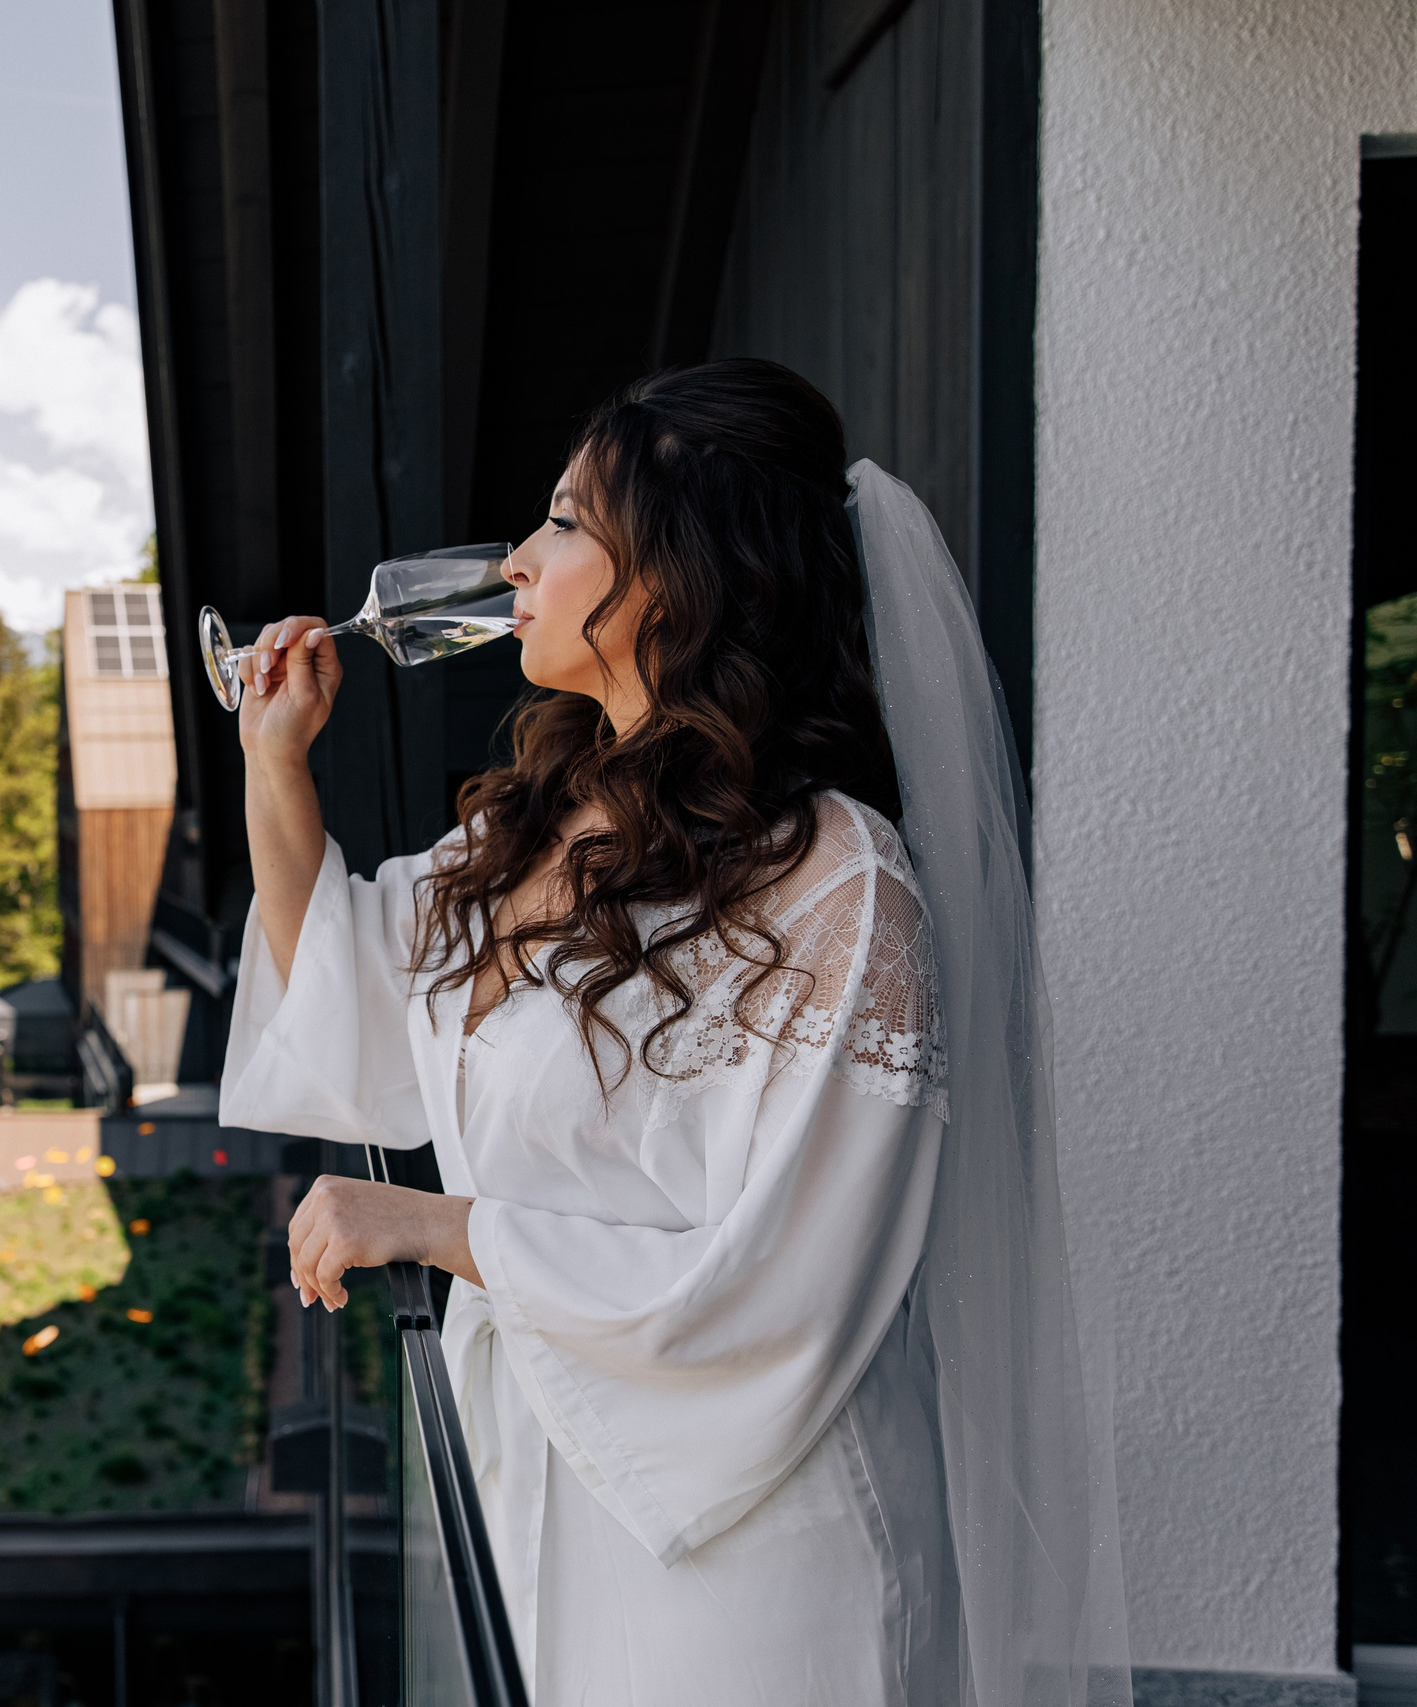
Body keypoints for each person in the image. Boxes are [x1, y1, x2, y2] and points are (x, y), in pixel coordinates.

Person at [222, 360, 1125, 1705]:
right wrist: (274, 762)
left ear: (683, 573)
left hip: (753, 1548)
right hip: (555, 1487)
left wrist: (438, 1228)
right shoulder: (528, 831)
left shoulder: (836, 886)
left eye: (567, 524)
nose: (517, 562)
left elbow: (786, 1282)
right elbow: (344, 997)